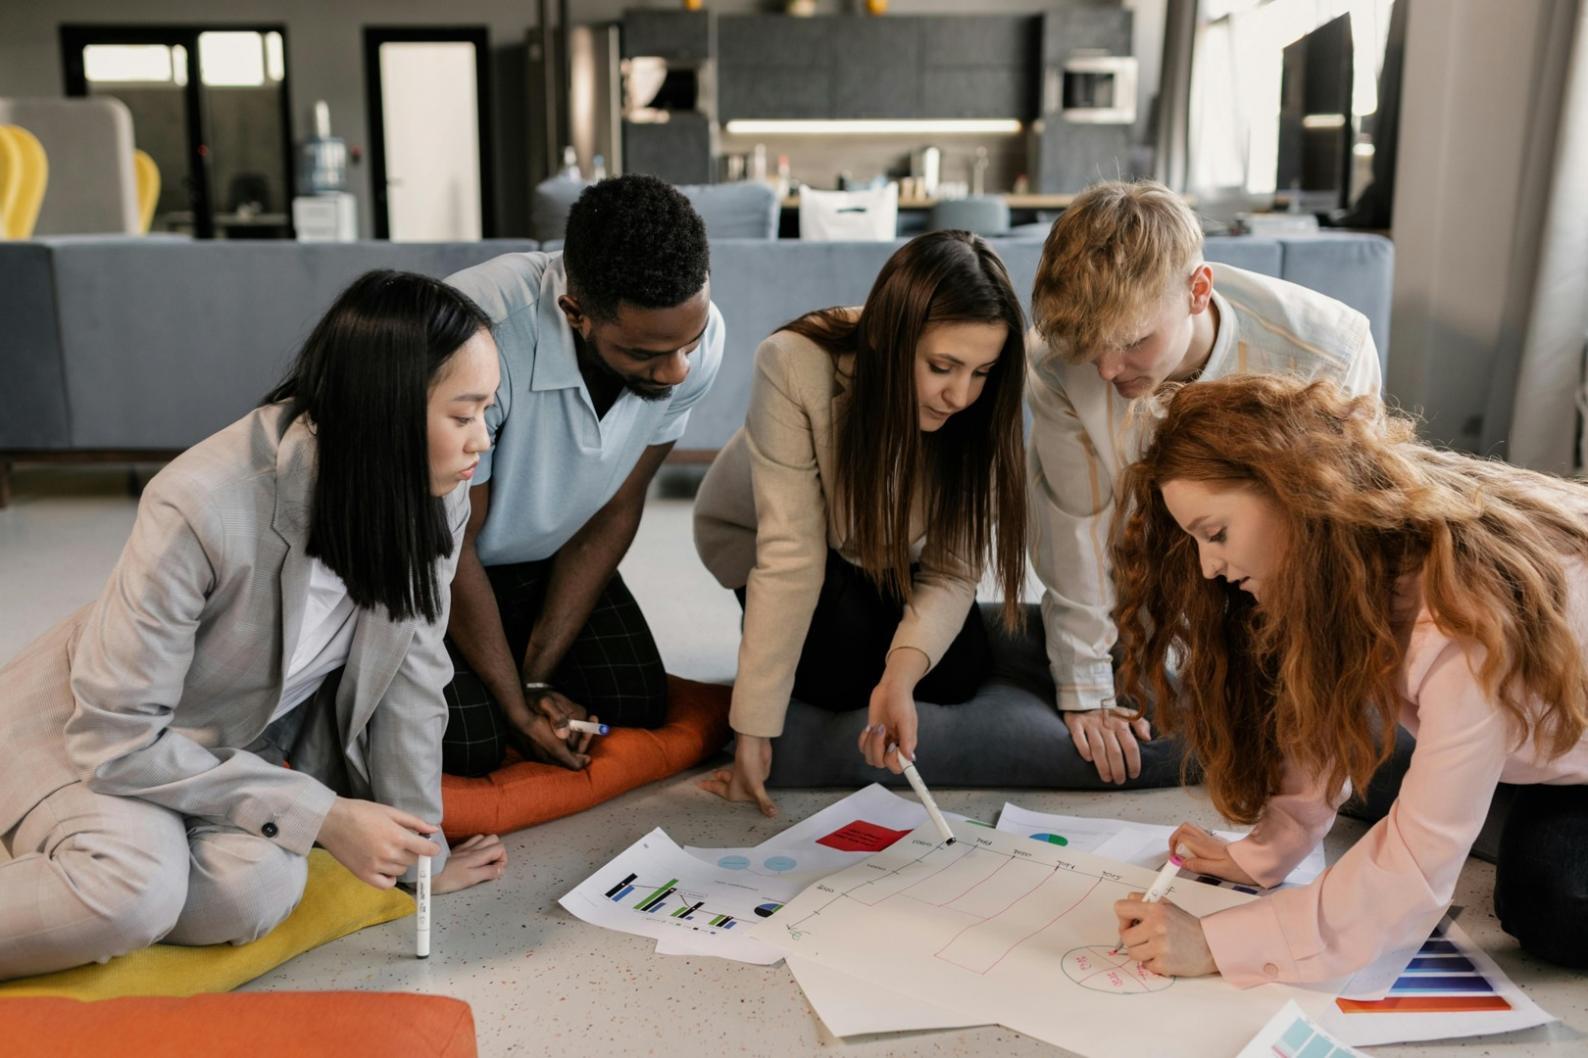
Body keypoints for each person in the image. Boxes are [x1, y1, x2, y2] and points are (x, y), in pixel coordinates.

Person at [0, 271, 509, 980]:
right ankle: (81, 854)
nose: (482, 440)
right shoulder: (203, 502)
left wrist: (418, 863)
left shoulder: (432, 495)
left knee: (256, 891)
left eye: (487, 411)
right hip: (89, 739)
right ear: (385, 411)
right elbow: (115, 738)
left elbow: (411, 683)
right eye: (463, 415)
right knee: (134, 894)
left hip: (216, 751)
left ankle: (83, 870)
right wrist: (323, 815)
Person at [1107, 376, 1588, 983]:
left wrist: (1215, 944)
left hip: (1558, 738)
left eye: (1216, 533)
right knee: (1388, 769)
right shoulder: (1357, 541)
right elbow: (1325, 713)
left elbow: (1413, 869)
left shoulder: (1463, 621)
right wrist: (1264, 854)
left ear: (1292, 492)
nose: (1208, 567)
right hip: (1542, 729)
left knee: (1551, 902)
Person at [1026, 178, 1383, 785]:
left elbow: (1343, 541)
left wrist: (1315, 695)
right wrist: (1085, 686)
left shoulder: (1326, 351)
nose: (1107, 370)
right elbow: (1076, 523)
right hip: (1143, 577)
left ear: (1198, 291)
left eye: (1133, 342)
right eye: (1092, 348)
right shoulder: (1059, 356)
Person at [692, 231, 1028, 817]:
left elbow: (952, 571)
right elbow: (791, 555)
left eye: (981, 372)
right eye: (942, 367)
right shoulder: (792, 363)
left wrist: (899, 678)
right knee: (839, 670)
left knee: (955, 673)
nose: (959, 395)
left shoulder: (976, 407)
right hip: (771, 540)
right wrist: (752, 728)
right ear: (887, 339)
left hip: (879, 550)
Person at [438, 174, 724, 778]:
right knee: (470, 744)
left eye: (688, 345)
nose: (676, 372)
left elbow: (619, 503)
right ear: (575, 312)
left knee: (636, 704)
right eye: (644, 355)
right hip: (432, 559)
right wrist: (516, 706)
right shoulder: (481, 337)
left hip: (540, 554)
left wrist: (536, 677)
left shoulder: (690, 338)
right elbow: (452, 542)